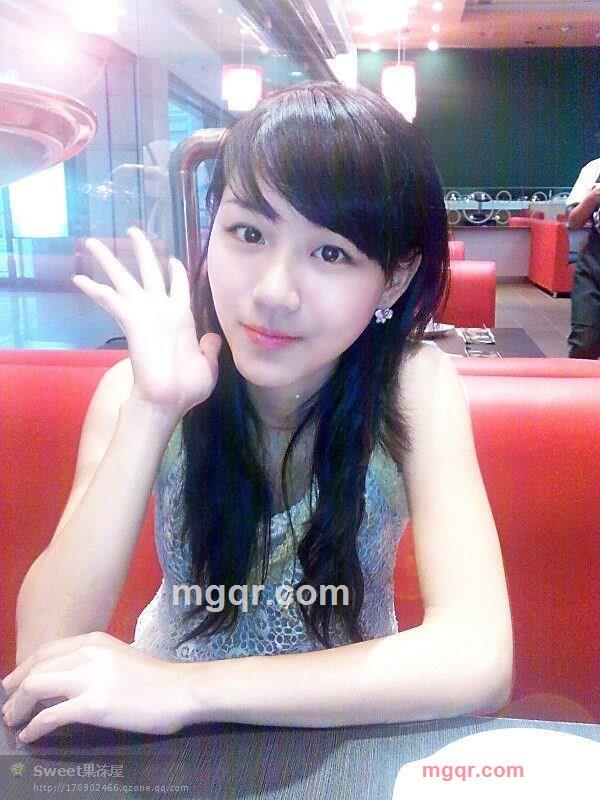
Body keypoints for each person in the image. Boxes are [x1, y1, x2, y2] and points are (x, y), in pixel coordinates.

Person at [2, 81, 513, 743]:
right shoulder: (139, 389)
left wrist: (185, 689)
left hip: (338, 723)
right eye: (249, 233)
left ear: (393, 277)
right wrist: (153, 410)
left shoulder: (412, 389)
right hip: (166, 738)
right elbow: (45, 649)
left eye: (331, 253)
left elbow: (478, 658)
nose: (273, 292)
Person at [565, 157, 600, 359]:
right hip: (594, 260)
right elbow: (574, 222)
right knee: (584, 342)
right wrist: (593, 197)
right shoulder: (594, 168)